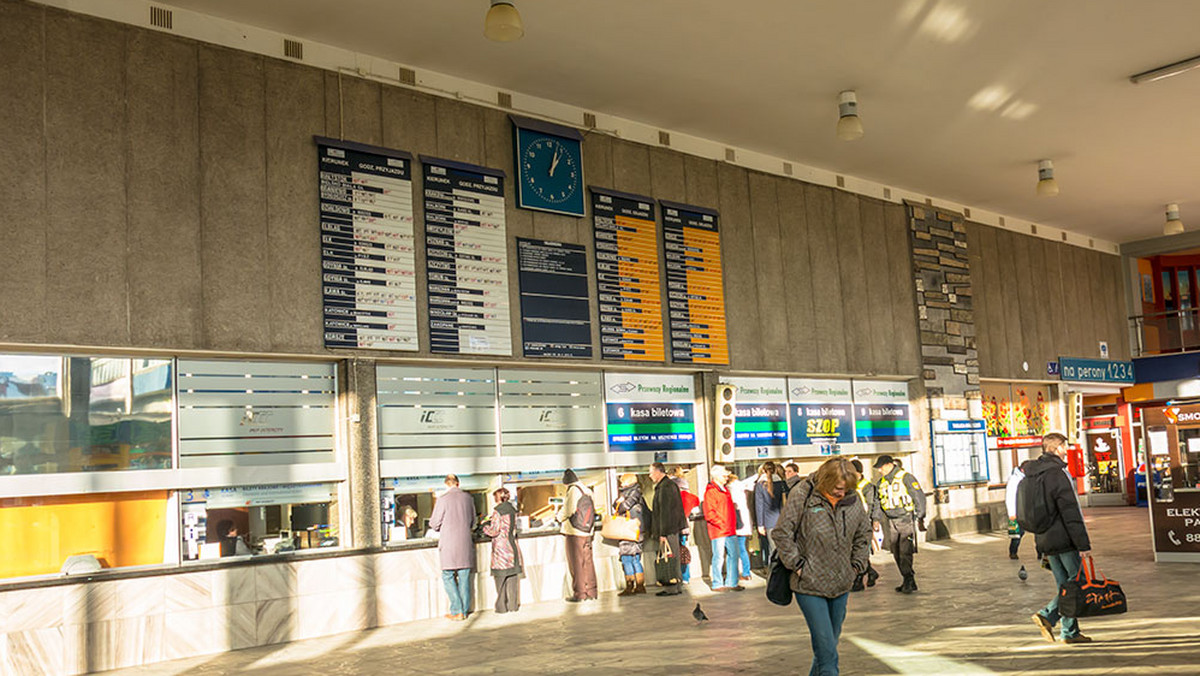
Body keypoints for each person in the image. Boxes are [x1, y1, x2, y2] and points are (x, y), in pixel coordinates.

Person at [771, 457, 871, 676]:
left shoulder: (852, 498)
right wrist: (798, 566)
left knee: (828, 648)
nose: (841, 494)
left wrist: (856, 566)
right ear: (825, 482)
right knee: (828, 654)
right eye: (837, 489)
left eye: (846, 489)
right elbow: (781, 533)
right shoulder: (803, 495)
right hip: (809, 585)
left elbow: (864, 533)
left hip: (841, 582)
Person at [1029, 433, 1094, 644]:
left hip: (1045, 539)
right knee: (1077, 583)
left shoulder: (1033, 474)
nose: (1066, 451)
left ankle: (1070, 632)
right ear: (1057, 449)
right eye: (1064, 447)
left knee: (1064, 585)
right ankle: (1047, 615)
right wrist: (1082, 544)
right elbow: (1070, 512)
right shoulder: (1057, 474)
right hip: (1064, 539)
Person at [870, 455, 926, 594]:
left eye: (881, 467)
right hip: (891, 520)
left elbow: (918, 496)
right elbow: (878, 502)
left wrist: (920, 517)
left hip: (905, 519)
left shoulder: (906, 477)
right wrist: (875, 519)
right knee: (895, 551)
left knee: (905, 551)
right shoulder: (881, 483)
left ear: (889, 465)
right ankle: (908, 580)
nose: (880, 471)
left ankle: (908, 579)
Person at [428, 474, 476, 620]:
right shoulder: (468, 498)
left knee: (448, 576)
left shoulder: (443, 499)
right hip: (465, 544)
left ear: (446, 484)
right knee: (464, 577)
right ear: (458, 483)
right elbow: (473, 522)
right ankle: (464, 611)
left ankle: (457, 610)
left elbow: (434, 523)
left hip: (448, 544)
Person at [556, 469, 598, 602]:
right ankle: (592, 591)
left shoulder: (573, 490)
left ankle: (580, 594)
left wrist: (558, 517)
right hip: (587, 531)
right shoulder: (587, 490)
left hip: (575, 532)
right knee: (588, 562)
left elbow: (568, 510)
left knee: (576, 563)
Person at [481, 487, 522, 613]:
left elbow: (494, 530)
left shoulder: (497, 511)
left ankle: (501, 607)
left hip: (500, 548)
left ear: (498, 497)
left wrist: (484, 526)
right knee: (512, 577)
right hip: (512, 546)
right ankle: (513, 606)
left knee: (500, 578)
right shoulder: (513, 509)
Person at [649, 461, 688, 596]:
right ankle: (676, 585)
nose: (649, 476)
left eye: (651, 472)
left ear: (659, 471)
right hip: (671, 527)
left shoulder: (665, 487)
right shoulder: (668, 485)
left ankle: (672, 587)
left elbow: (665, 511)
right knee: (673, 556)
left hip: (669, 528)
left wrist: (663, 532)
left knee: (670, 557)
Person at [703, 465, 741, 592]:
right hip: (719, 530)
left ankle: (732, 582)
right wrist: (722, 523)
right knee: (719, 557)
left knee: (733, 555)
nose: (726, 478)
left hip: (729, 529)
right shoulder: (711, 492)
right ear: (717, 476)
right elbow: (709, 513)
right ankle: (717, 583)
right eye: (724, 476)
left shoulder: (725, 490)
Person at [613, 473, 649, 596]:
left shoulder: (633, 493)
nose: (621, 484)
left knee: (627, 558)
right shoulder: (633, 492)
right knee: (635, 559)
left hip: (629, 531)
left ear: (628, 482)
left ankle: (630, 586)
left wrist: (620, 501)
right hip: (636, 530)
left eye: (622, 481)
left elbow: (622, 507)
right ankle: (639, 586)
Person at [849, 459, 880, 591]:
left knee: (860, 552)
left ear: (859, 472)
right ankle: (871, 572)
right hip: (852, 523)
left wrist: (875, 521)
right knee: (853, 552)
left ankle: (859, 580)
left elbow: (873, 505)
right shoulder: (850, 486)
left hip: (863, 524)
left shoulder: (867, 487)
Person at [754, 461, 786, 567]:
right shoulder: (781, 483)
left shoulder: (760, 485)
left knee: (772, 550)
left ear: (763, 470)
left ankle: (773, 574)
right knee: (781, 548)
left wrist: (760, 524)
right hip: (781, 519)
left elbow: (759, 506)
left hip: (769, 521)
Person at [671, 467, 700, 584]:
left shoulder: (670, 488)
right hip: (684, 525)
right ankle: (685, 577)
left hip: (672, 525)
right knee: (683, 551)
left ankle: (675, 576)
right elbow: (695, 509)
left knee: (674, 553)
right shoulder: (687, 490)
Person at [729, 470, 755, 580]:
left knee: (735, 550)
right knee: (743, 548)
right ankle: (746, 572)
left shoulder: (730, 489)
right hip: (744, 522)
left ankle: (739, 572)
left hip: (736, 523)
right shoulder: (741, 487)